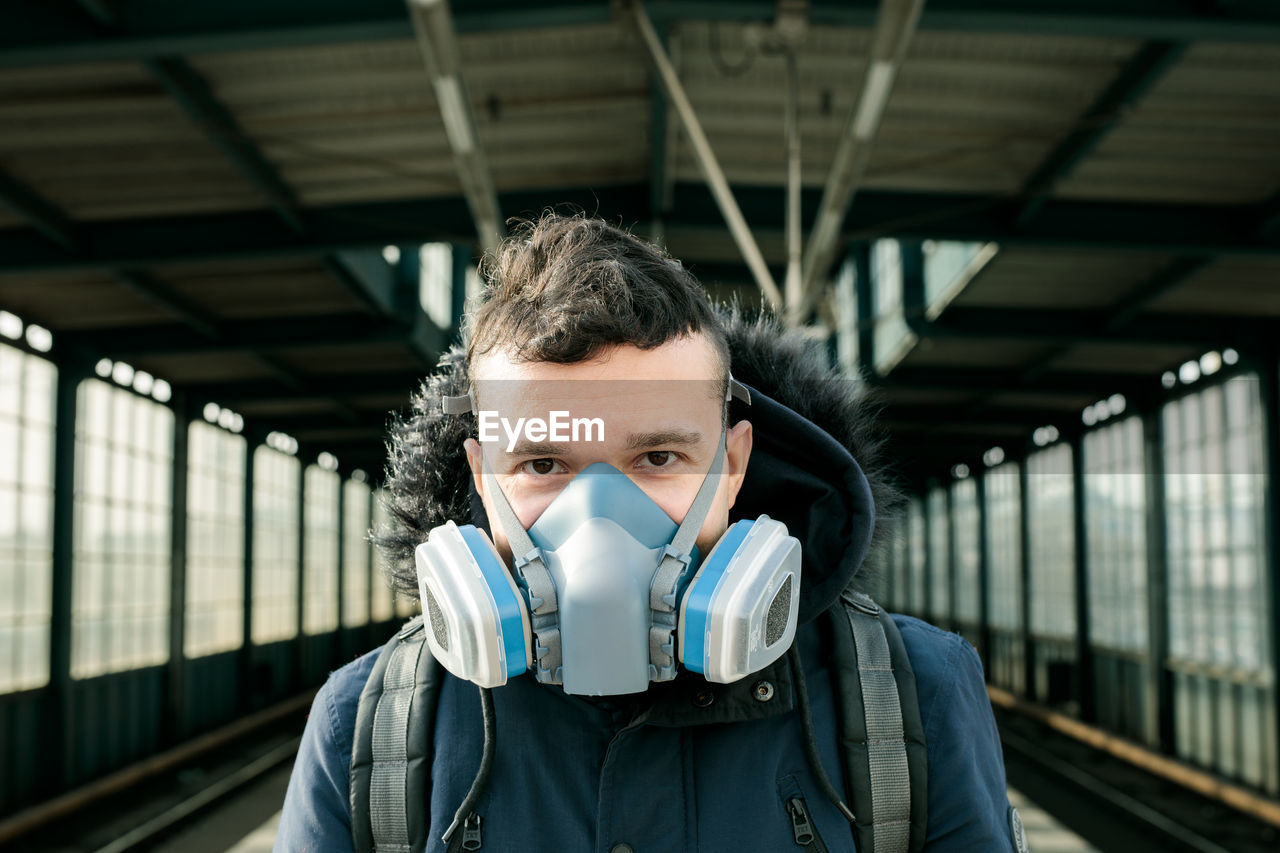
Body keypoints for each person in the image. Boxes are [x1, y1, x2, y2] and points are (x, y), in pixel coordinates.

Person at [275, 214, 1021, 851]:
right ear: (481, 477)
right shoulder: (368, 729)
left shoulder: (909, 695)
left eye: (657, 457)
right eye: (543, 462)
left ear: (732, 465)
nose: (599, 518)